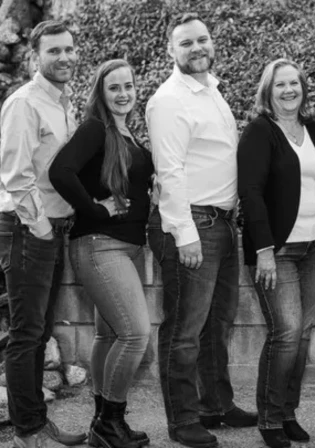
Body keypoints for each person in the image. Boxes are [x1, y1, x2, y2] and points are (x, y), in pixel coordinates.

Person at [145, 12, 257, 448]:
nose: (197, 48)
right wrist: (184, 233)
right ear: (171, 51)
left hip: (222, 223)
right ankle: (183, 419)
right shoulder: (169, 100)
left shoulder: (211, 91)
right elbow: (169, 170)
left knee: (217, 325)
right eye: (186, 43)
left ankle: (216, 405)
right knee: (184, 329)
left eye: (202, 40)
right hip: (193, 225)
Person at [49, 59, 153, 448]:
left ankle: (101, 423)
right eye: (114, 87)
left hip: (126, 247)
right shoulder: (95, 128)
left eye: (128, 86)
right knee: (135, 333)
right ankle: (110, 423)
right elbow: (60, 171)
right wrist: (94, 209)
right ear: (101, 92)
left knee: (109, 335)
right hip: (99, 244)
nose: (123, 94)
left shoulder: (128, 133)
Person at [0, 20, 87, 448]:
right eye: (54, 51)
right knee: (26, 333)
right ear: (35, 57)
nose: (64, 57)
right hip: (27, 228)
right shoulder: (24, 104)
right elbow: (16, 176)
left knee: (39, 331)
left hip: (49, 228)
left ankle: (35, 421)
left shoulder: (63, 102)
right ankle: (27, 433)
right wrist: (42, 228)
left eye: (69, 49)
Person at [238, 58, 315, 448]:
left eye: (295, 83)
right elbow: (250, 193)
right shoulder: (259, 131)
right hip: (278, 250)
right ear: (268, 91)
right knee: (286, 332)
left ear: (303, 88)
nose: (289, 90)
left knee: (302, 335)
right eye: (280, 85)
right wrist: (264, 251)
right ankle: (270, 419)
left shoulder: (314, 130)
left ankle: (288, 412)